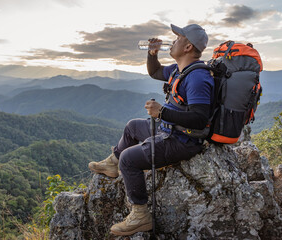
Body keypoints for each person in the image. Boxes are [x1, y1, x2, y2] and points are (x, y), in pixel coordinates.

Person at [88, 23, 214, 236]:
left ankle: (140, 215)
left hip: (183, 141)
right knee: (133, 126)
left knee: (129, 159)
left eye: (178, 38)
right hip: (169, 129)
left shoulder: (197, 78)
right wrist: (152, 53)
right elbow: (154, 71)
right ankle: (112, 163)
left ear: (187, 47)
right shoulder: (179, 69)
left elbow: (200, 119)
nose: (173, 40)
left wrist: (162, 113)